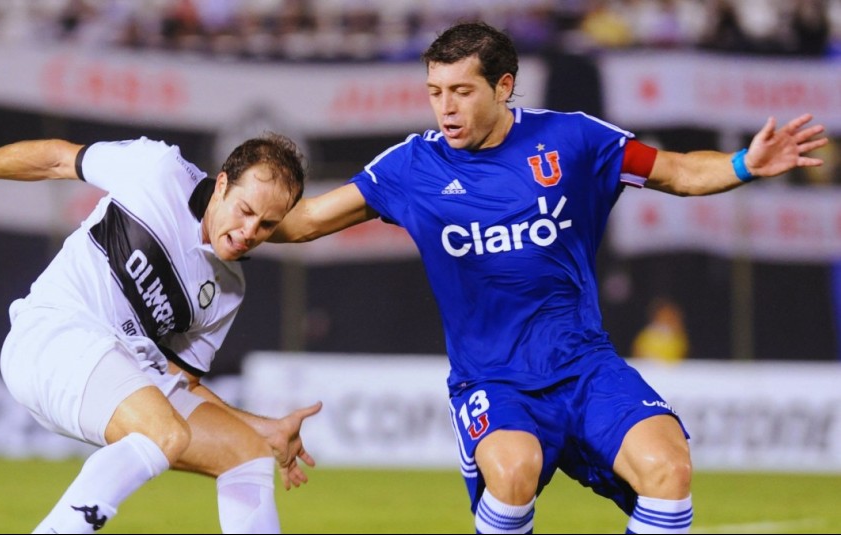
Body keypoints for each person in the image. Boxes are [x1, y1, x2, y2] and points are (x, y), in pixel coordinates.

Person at [270, 21, 828, 534]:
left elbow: (676, 172)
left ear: (503, 86)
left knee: (670, 471)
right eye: (435, 93)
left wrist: (743, 165)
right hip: (494, 380)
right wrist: (224, 216)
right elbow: (306, 222)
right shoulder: (412, 167)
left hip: (585, 366)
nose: (446, 109)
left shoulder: (576, 141)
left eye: (462, 92)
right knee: (514, 473)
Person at [0, 133, 322, 534]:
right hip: (51, 337)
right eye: (246, 211)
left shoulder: (228, 289)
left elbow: (177, 384)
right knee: (164, 432)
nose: (251, 232)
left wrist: (259, 427)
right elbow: (56, 159)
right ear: (223, 184)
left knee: (245, 453)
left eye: (267, 225)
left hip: (107, 372)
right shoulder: (157, 170)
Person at [631, 297, 690, 364]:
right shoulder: (647, 335)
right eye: (665, 315)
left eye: (671, 316)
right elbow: (638, 354)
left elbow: (682, 354)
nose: (668, 318)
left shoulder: (678, 337)